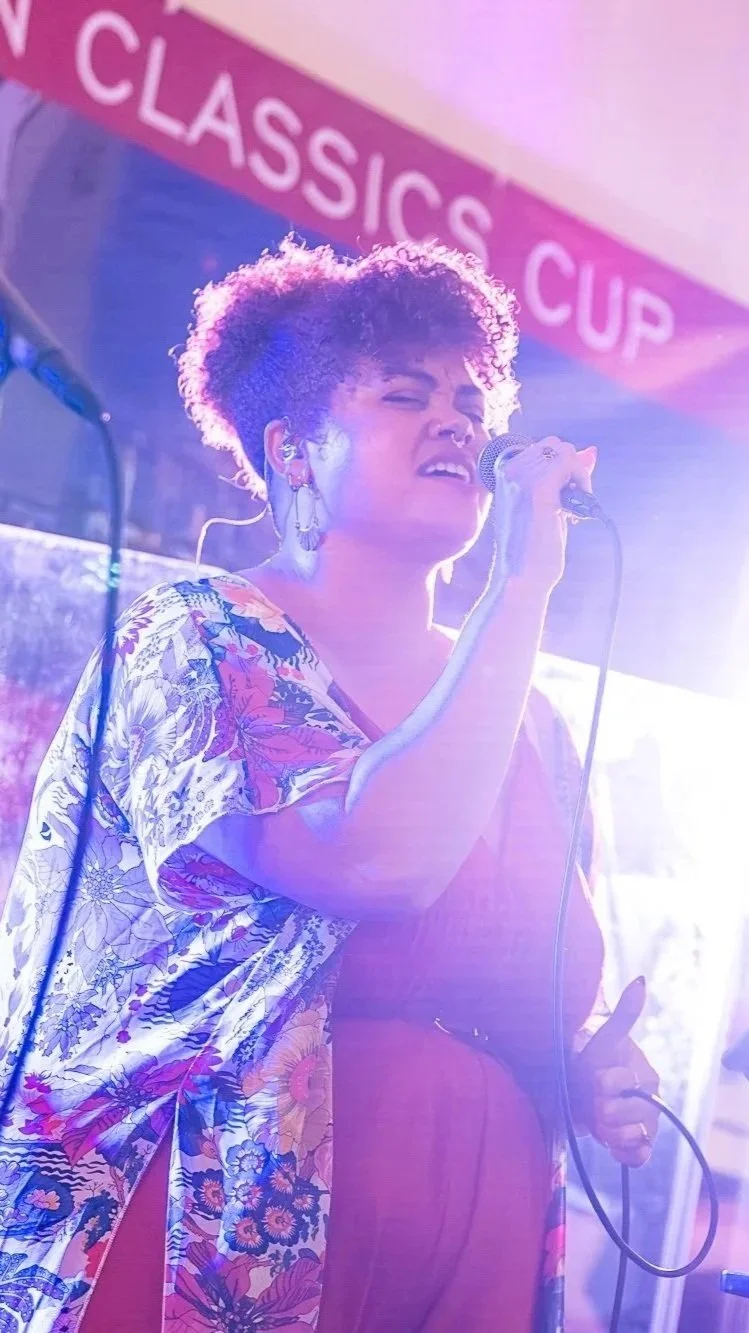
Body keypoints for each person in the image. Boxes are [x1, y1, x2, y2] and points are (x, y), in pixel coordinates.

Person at [0, 237, 659, 1333]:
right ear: (294, 451)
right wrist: (519, 584)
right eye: (405, 396)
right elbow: (375, 859)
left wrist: (583, 1071)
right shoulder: (199, 640)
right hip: (224, 1226)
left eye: (470, 402)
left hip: (475, 1245)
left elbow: (510, 993)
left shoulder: (530, 718)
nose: (455, 423)